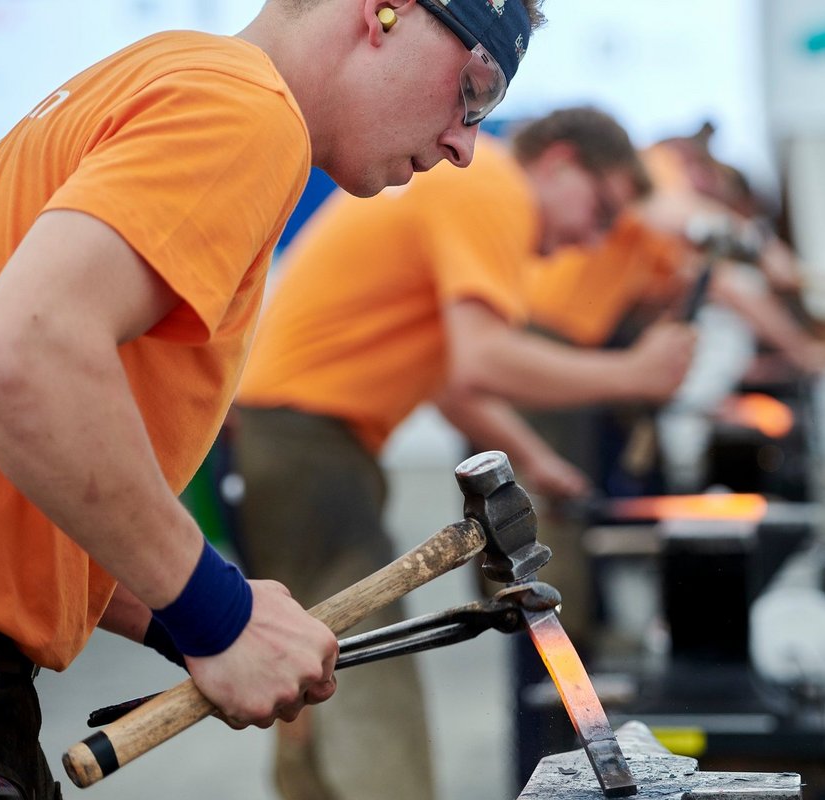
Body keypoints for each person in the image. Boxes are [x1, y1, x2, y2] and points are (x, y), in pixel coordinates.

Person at [0, 0, 544, 796]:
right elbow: (20, 355)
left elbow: (6, 465)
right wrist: (213, 613)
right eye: (476, 86)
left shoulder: (162, 75)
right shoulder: (242, 110)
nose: (467, 143)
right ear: (384, 12)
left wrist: (181, 619)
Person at [230, 106, 695, 800]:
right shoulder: (494, 186)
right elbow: (482, 361)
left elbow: (448, 375)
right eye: (598, 211)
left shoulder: (475, 194)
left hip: (291, 440)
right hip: (302, 445)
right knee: (364, 667)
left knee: (309, 661)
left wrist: (534, 459)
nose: (589, 241)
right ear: (560, 162)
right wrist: (633, 375)